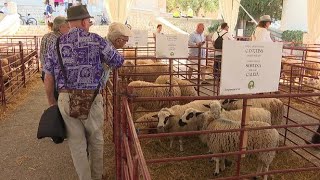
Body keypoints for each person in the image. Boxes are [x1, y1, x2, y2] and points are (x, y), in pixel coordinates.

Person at [43, 5, 131, 180]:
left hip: (66, 98)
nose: (89, 24)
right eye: (89, 22)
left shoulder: (56, 44)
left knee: (76, 143)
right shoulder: (96, 40)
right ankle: (97, 176)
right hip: (91, 98)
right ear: (84, 22)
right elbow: (118, 61)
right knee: (96, 140)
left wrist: (52, 101)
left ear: (70, 23)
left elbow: (48, 77)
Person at [40, 16, 70, 100]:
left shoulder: (45, 36)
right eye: (67, 27)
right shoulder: (60, 40)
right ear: (61, 27)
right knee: (60, 100)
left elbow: (41, 53)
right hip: (54, 75)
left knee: (52, 98)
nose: (69, 29)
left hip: (44, 72)